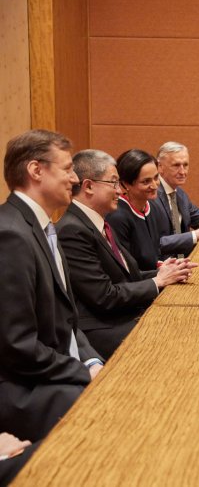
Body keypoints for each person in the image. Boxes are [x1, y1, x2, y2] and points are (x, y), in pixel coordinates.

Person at [0, 129, 104, 442]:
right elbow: (17, 346)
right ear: (36, 170)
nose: (74, 179)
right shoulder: (11, 234)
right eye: (68, 169)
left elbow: (69, 321)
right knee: (111, 413)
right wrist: (83, 373)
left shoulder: (45, 227)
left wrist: (93, 361)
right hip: (21, 386)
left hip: (53, 370)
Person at [57, 150, 197, 359]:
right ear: (88, 186)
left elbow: (128, 276)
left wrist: (165, 272)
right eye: (113, 183)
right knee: (178, 342)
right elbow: (103, 297)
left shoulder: (98, 221)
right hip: (101, 328)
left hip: (121, 314)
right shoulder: (73, 230)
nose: (118, 191)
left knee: (191, 320)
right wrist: (157, 281)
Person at [152, 142, 199, 259]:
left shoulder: (179, 193)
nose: (182, 172)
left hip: (184, 261)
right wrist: (195, 235)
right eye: (176, 165)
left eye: (185, 165)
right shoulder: (151, 195)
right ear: (160, 167)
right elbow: (155, 243)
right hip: (160, 267)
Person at [105, 149, 165, 271]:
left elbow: (153, 254)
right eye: (146, 181)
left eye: (156, 177)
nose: (154, 185)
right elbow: (124, 270)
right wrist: (159, 272)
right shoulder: (117, 217)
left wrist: (163, 265)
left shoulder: (152, 206)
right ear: (126, 184)